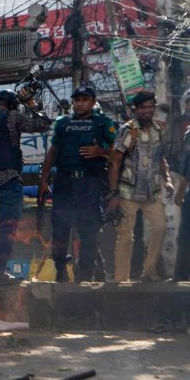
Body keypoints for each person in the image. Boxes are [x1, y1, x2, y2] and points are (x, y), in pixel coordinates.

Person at [0, 88, 50, 281]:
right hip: (7, 180)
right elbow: (43, 124)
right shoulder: (12, 116)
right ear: (13, 105)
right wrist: (31, 103)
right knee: (8, 228)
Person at [38, 85, 115, 282]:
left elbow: (117, 151)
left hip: (90, 182)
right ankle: (60, 270)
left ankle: (85, 274)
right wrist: (43, 181)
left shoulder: (103, 122)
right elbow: (53, 152)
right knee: (60, 229)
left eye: (85, 99)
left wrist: (100, 152)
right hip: (64, 181)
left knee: (88, 230)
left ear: (92, 101)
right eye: (77, 100)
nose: (80, 103)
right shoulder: (63, 123)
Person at [108, 91, 171, 283]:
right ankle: (121, 280)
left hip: (152, 191)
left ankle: (148, 272)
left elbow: (161, 159)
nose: (147, 111)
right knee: (126, 236)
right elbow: (115, 162)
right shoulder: (128, 130)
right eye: (143, 107)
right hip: (128, 191)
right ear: (136, 109)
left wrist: (167, 179)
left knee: (160, 228)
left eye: (151, 107)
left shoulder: (158, 130)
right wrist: (113, 193)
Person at [173, 86, 190, 280]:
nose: (188, 106)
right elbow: (186, 165)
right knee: (186, 235)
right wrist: (180, 190)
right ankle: (182, 274)